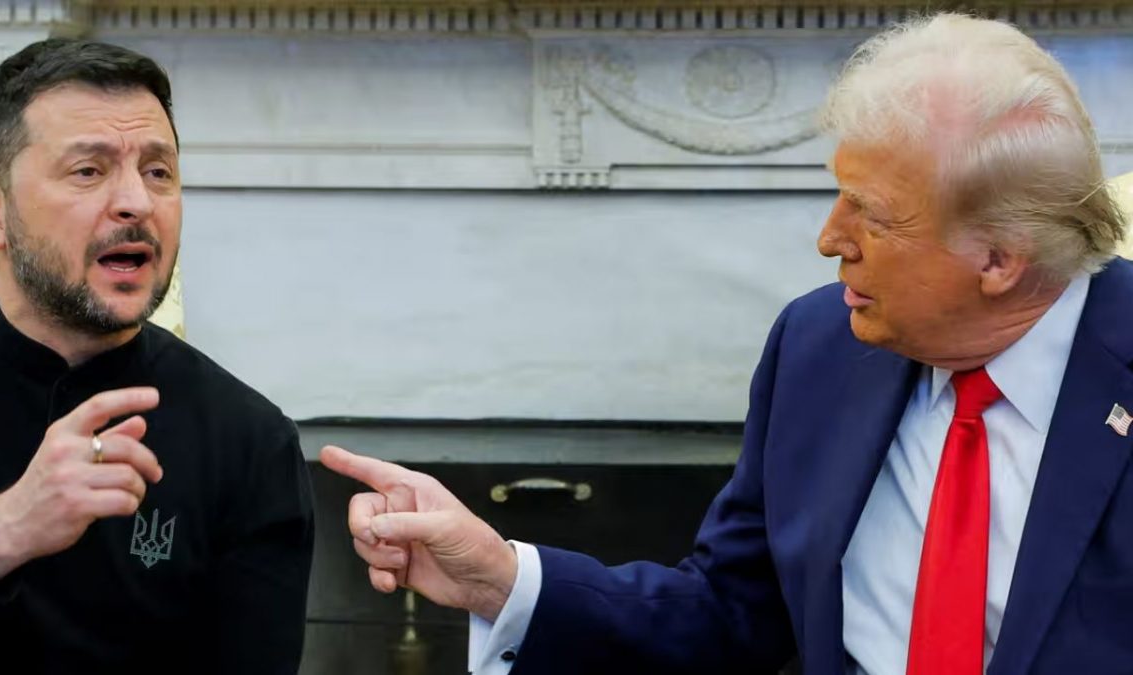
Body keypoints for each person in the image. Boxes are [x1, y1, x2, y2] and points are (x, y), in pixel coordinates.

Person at [322, 13, 1133, 675]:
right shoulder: (821, 348)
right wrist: (501, 578)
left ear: (998, 258)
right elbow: (730, 614)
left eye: (873, 215)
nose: (830, 238)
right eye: (839, 195)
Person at [0, 39, 314, 673]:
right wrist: (2, 530)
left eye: (158, 172)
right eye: (89, 170)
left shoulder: (250, 441)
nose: (136, 202)